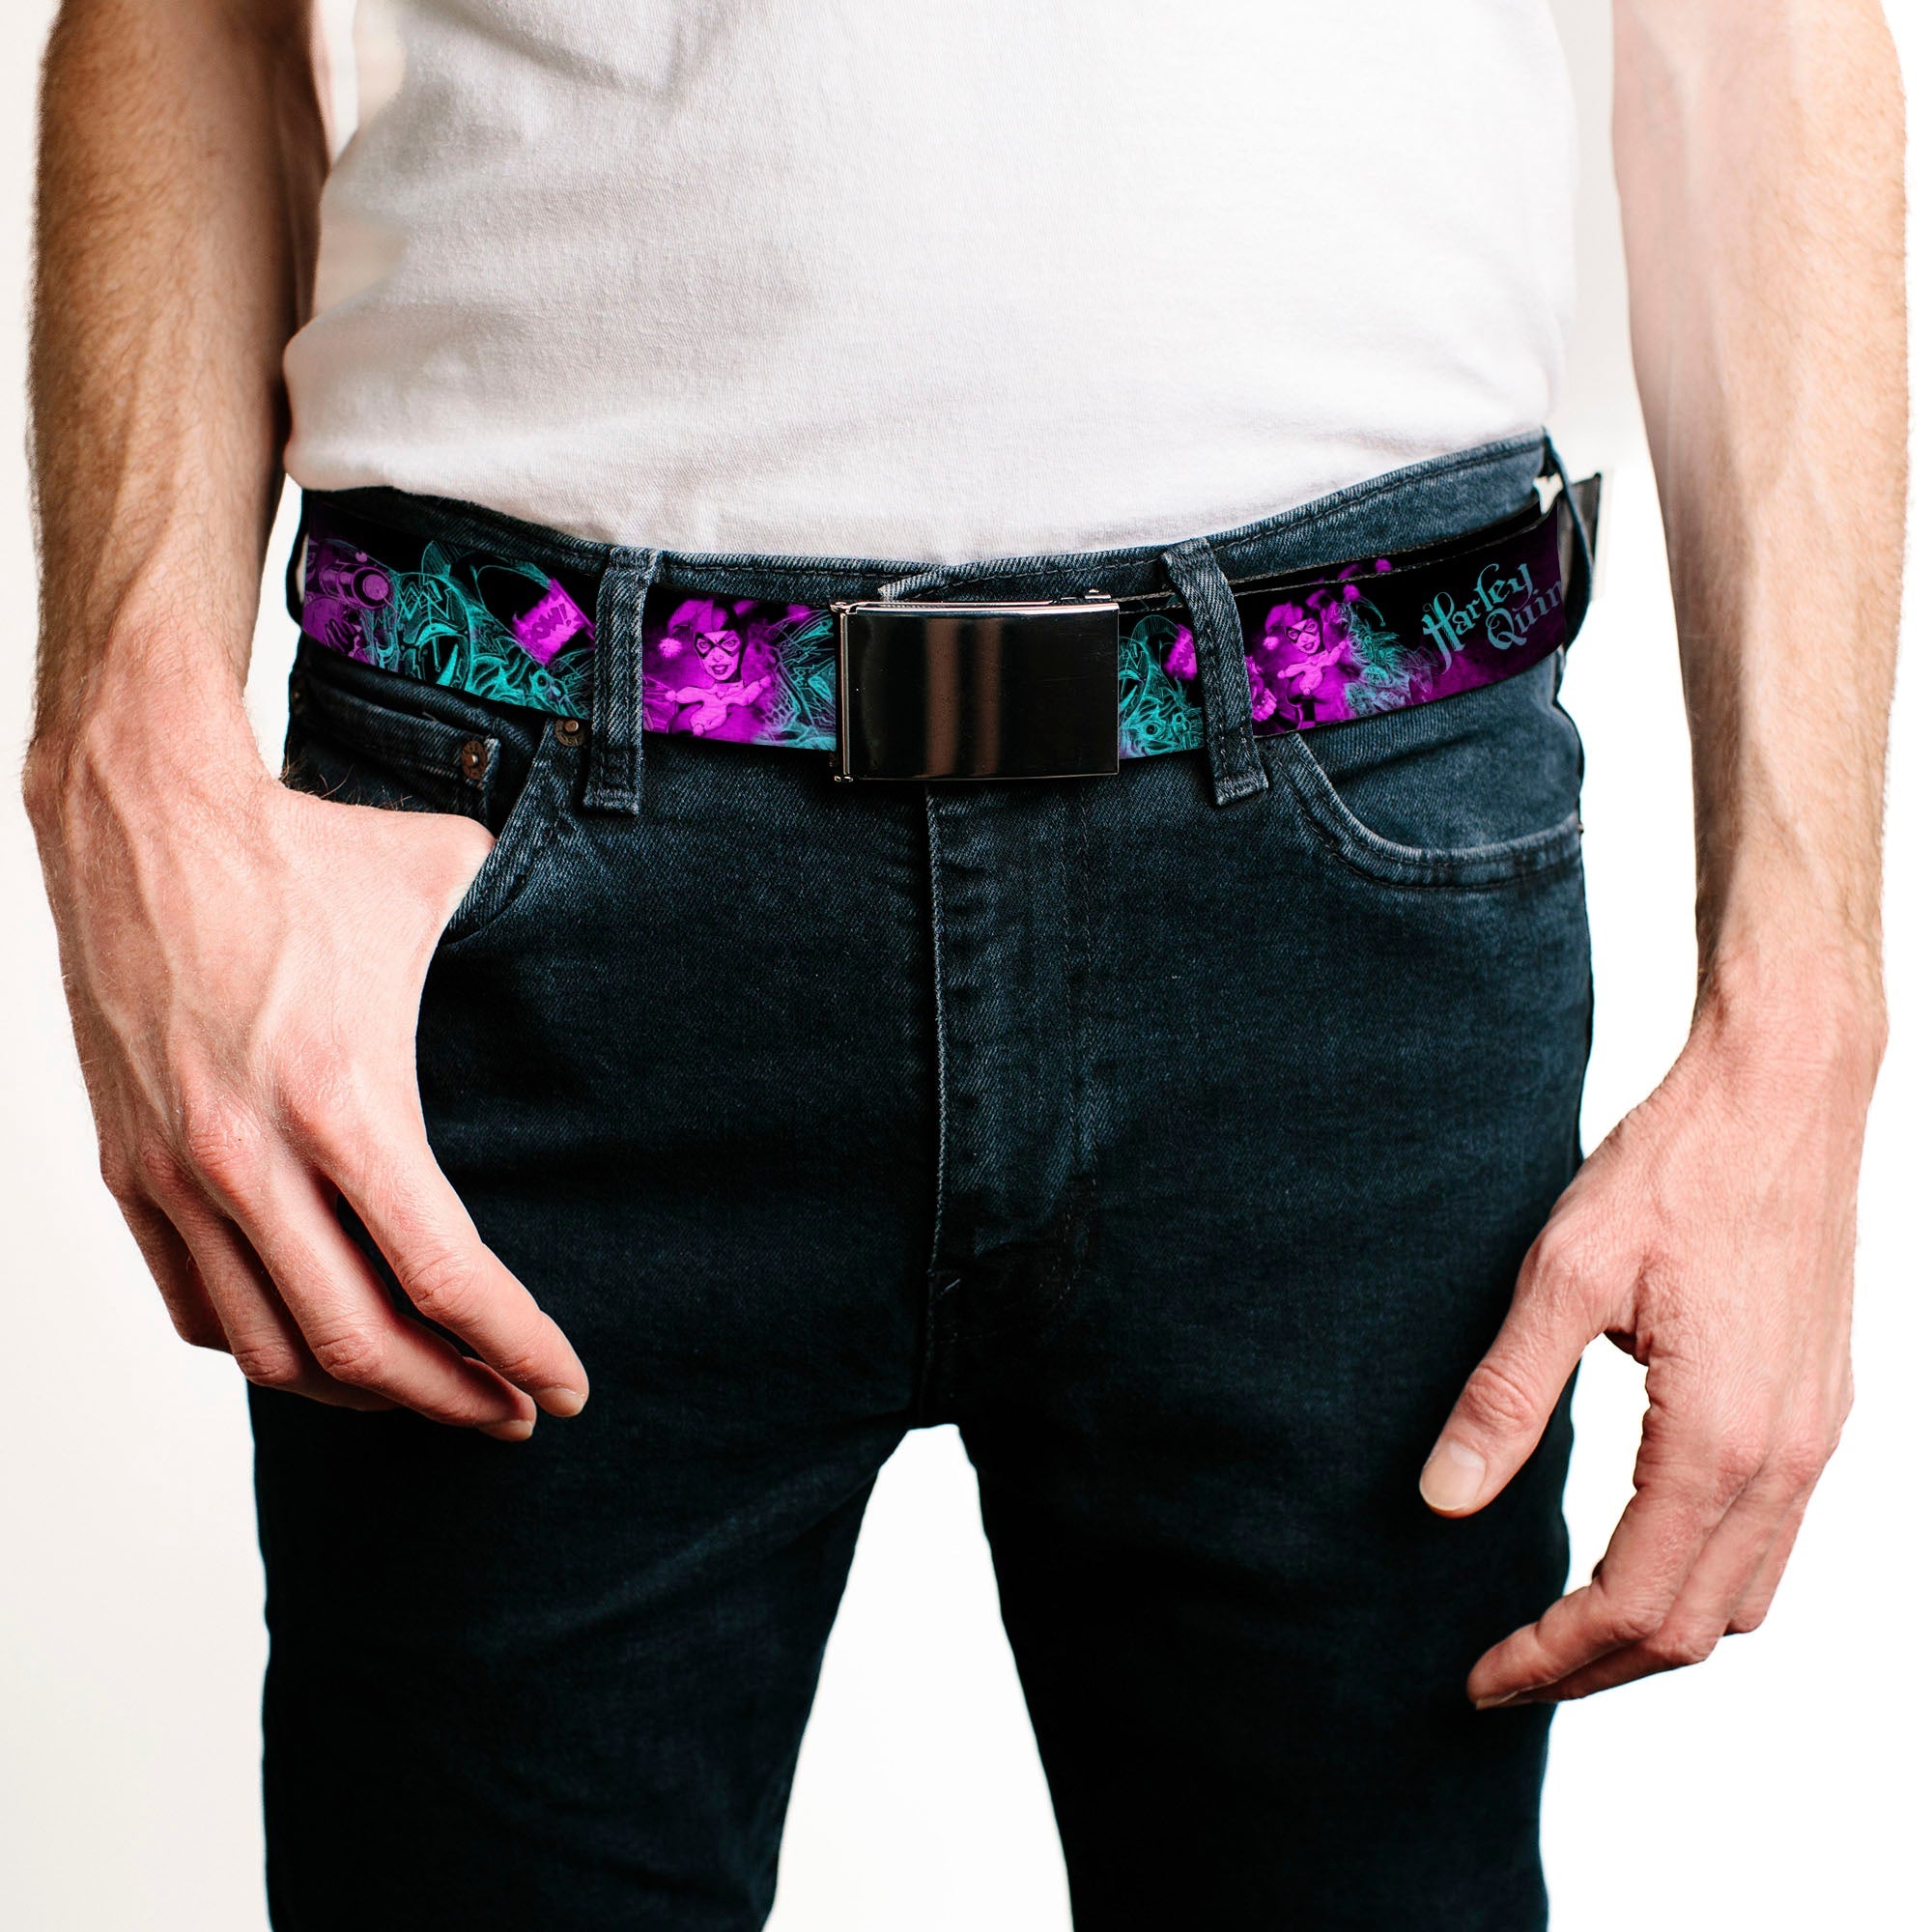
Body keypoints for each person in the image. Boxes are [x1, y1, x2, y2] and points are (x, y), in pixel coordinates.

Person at [23, 2, 1903, 1926]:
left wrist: (1801, 1028)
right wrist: (120, 755)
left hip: (1345, 875)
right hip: (514, 830)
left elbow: (1761, 39)